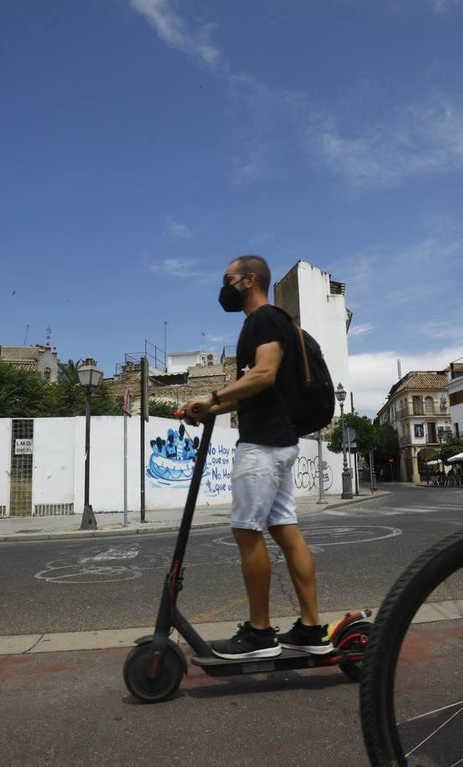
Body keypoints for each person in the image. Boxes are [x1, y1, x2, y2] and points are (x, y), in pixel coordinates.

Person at [179, 254, 332, 660]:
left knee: (247, 531)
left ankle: (261, 634)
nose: (223, 286)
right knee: (285, 530)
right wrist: (210, 408)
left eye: (227, 279)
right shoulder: (266, 322)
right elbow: (258, 388)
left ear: (248, 280)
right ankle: (312, 629)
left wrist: (211, 395)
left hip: (262, 446)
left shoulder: (264, 319)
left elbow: (263, 374)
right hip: (278, 441)